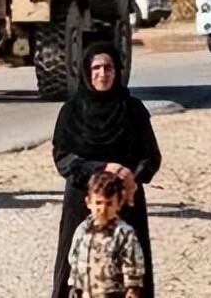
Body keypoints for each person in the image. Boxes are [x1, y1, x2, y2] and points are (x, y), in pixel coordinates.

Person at [50, 42, 162, 298]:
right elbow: (63, 157)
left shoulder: (132, 109)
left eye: (108, 67)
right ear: (86, 72)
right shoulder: (71, 111)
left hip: (127, 197)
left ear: (117, 71)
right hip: (84, 198)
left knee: (132, 265)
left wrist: (131, 175)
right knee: (74, 263)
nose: (103, 74)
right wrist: (102, 168)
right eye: (96, 68)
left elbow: (151, 156)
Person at [67, 170, 145, 298]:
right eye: (98, 203)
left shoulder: (124, 233)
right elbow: (74, 258)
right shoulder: (83, 230)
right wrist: (74, 285)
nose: (103, 209)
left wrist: (133, 288)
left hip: (113, 292)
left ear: (119, 203)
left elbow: (133, 262)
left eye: (109, 204)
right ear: (88, 202)